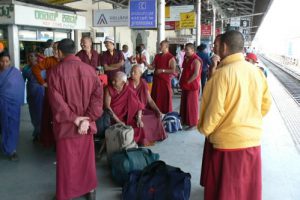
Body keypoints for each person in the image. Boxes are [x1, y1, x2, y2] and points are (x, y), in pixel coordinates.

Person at [197, 30, 272, 200]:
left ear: (224, 46)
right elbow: (266, 105)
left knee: (226, 193)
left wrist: (204, 129)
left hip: (227, 145)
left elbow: (214, 112)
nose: (215, 50)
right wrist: (249, 118)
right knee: (246, 192)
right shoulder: (257, 72)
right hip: (253, 142)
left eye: (217, 46)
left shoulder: (221, 75)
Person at [48, 39, 103, 200]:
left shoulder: (55, 72)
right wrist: (87, 119)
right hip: (86, 126)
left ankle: (66, 194)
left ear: (60, 52)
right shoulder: (90, 70)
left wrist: (76, 119)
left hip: (67, 126)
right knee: (86, 160)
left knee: (67, 162)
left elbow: (57, 103)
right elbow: (97, 98)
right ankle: (90, 190)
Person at [105, 71, 155, 145]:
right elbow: (107, 107)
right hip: (112, 118)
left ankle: (132, 144)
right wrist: (118, 121)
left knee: (138, 127)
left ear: (123, 83)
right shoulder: (108, 89)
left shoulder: (128, 90)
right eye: (113, 80)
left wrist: (139, 119)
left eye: (115, 81)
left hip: (126, 117)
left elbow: (139, 105)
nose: (113, 82)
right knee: (121, 130)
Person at [128, 65, 167, 143]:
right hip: (130, 111)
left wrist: (158, 111)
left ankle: (156, 136)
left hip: (141, 109)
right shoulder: (127, 83)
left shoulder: (143, 83)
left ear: (140, 74)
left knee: (156, 116)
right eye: (131, 71)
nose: (132, 74)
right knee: (141, 120)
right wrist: (138, 116)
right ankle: (143, 139)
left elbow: (149, 100)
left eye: (135, 72)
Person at [32, 42, 60, 148]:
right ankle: (50, 139)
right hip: (51, 92)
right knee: (49, 116)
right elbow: (35, 69)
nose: (54, 51)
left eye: (56, 48)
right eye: (53, 48)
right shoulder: (49, 60)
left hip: (64, 93)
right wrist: (43, 82)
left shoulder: (66, 61)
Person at [0, 51, 25, 161]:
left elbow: (19, 87)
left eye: (6, 61)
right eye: (2, 61)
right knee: (4, 126)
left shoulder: (15, 72)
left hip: (13, 105)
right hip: (1, 104)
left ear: (10, 61)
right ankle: (6, 146)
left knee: (12, 126)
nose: (4, 63)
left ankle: (11, 149)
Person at [144, 40, 176, 114]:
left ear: (166, 47)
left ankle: (165, 113)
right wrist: (145, 62)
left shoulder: (171, 57)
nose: (160, 47)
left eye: (161, 46)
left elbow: (173, 70)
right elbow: (151, 67)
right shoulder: (157, 56)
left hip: (165, 81)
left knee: (164, 98)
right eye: (160, 45)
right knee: (156, 96)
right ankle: (156, 112)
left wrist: (163, 71)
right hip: (156, 80)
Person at [22, 51, 45, 142]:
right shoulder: (26, 69)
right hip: (31, 92)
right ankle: (36, 130)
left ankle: (39, 133)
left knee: (40, 113)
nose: (32, 58)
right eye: (30, 56)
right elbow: (21, 81)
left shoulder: (42, 67)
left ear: (37, 57)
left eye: (33, 56)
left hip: (40, 92)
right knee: (33, 113)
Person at [179, 43, 202, 130]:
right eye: (185, 50)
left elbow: (196, 74)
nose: (186, 52)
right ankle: (185, 120)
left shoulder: (196, 60)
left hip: (192, 85)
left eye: (187, 50)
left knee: (191, 104)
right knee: (184, 103)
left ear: (193, 50)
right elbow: (184, 69)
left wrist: (188, 82)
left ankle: (193, 123)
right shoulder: (186, 58)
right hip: (185, 83)